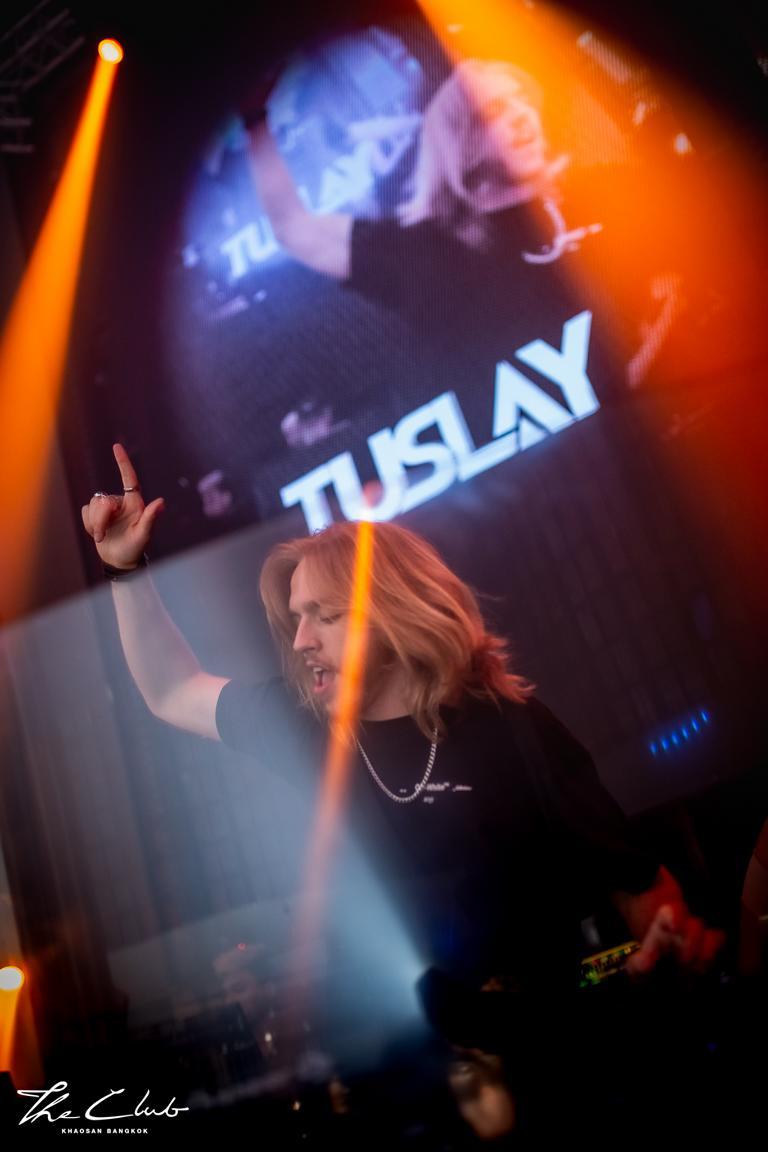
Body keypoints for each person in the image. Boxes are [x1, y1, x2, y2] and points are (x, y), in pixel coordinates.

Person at [82, 443, 725, 1137]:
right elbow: (171, 691)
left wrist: (666, 944)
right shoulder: (301, 726)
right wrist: (124, 569)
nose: (299, 640)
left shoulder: (512, 729)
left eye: (323, 616)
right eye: (296, 618)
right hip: (405, 1098)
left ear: (390, 613)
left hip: (556, 1074)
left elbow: (639, 885)